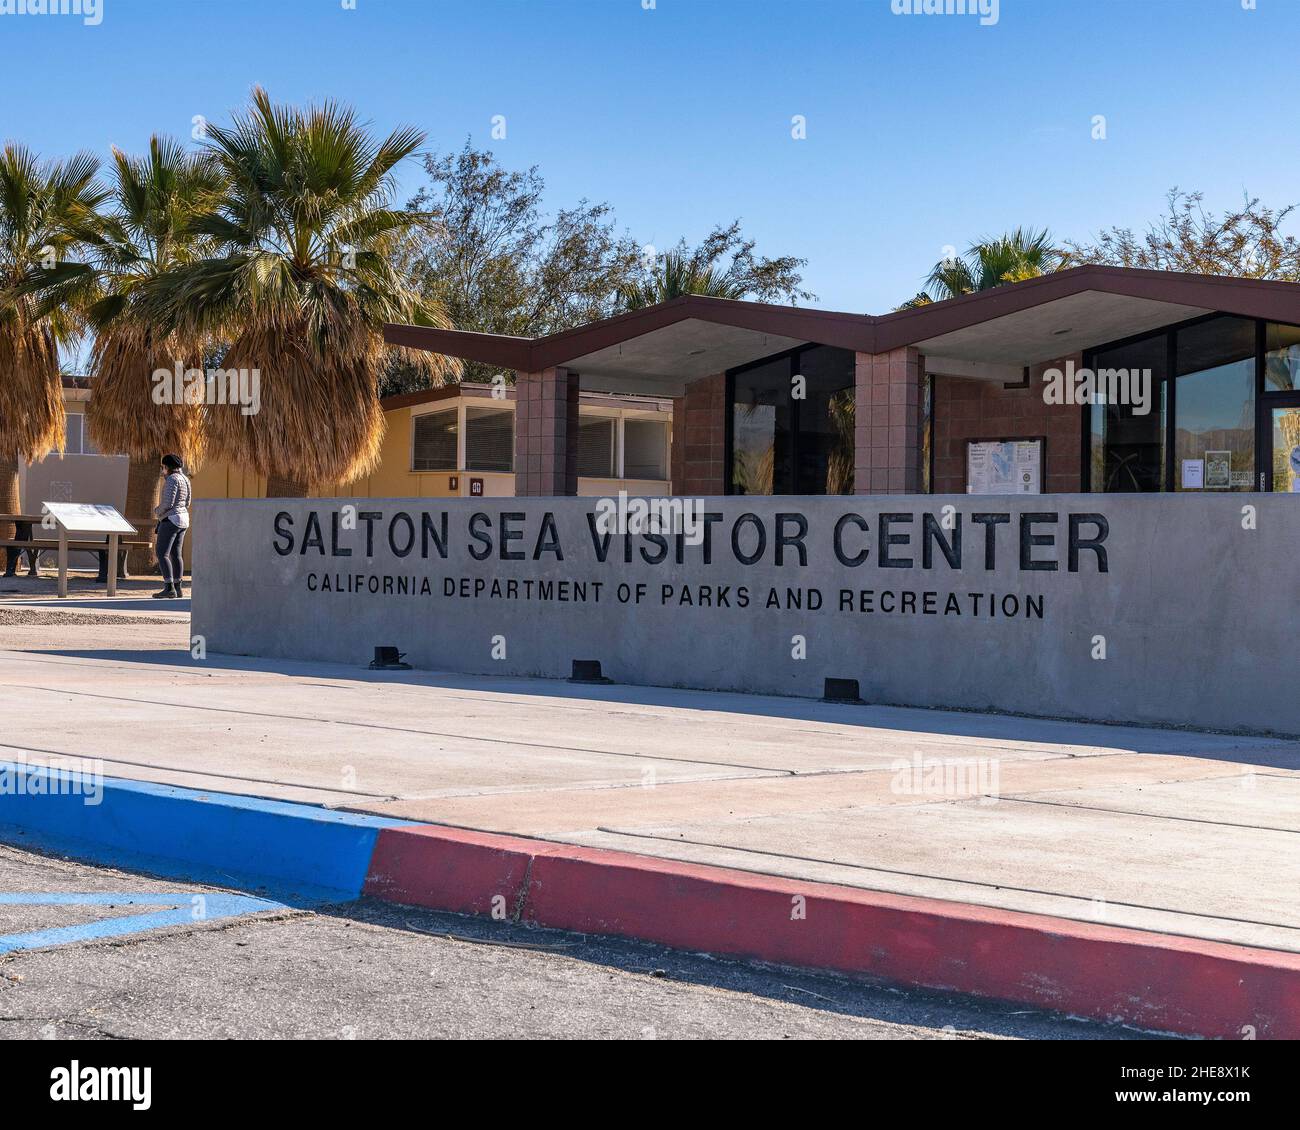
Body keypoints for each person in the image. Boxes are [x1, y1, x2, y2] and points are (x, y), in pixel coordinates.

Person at [153, 454, 191, 599]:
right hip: (184, 519)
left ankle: (168, 588)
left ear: (167, 467)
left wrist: (157, 511)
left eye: (163, 467)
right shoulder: (185, 479)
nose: (162, 470)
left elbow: (167, 503)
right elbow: (187, 501)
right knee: (176, 554)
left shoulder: (171, 480)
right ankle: (178, 587)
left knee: (162, 553)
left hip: (171, 519)